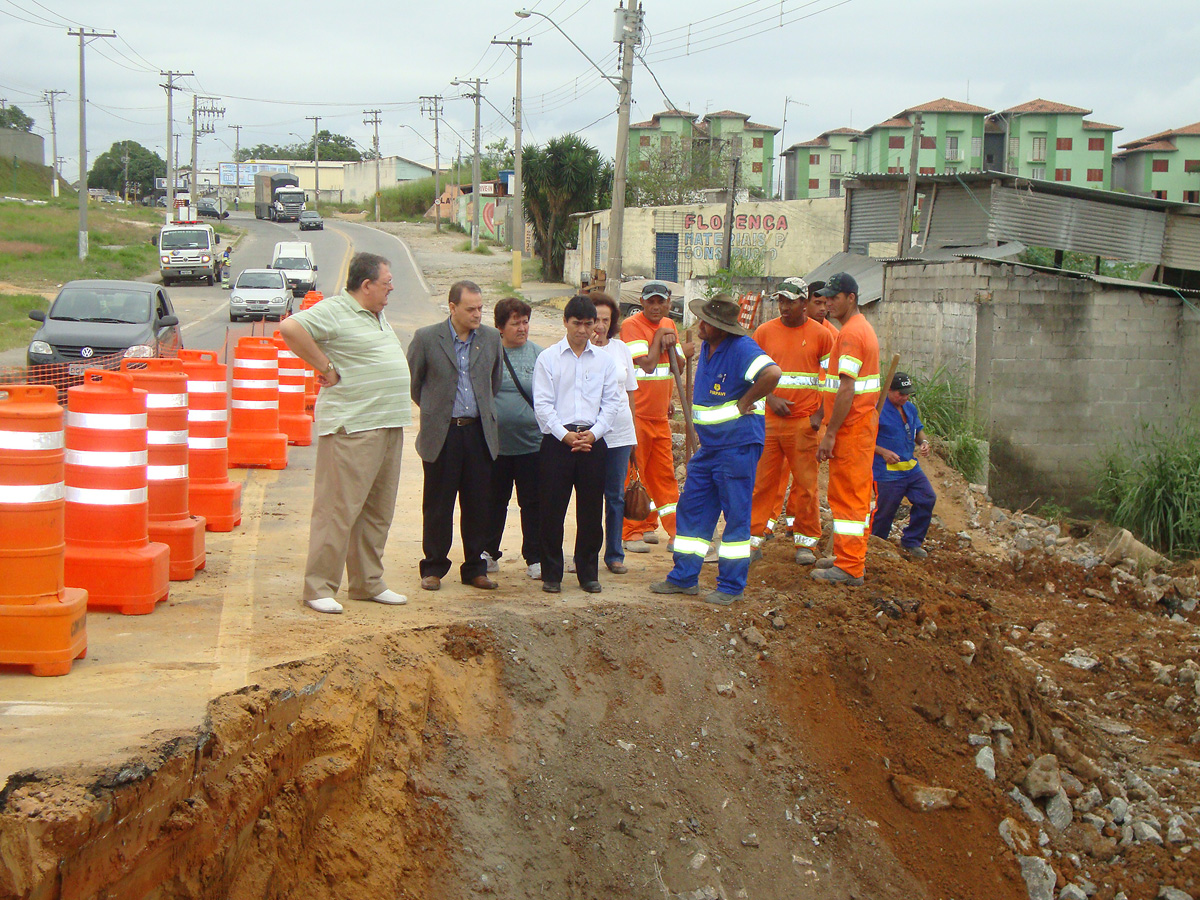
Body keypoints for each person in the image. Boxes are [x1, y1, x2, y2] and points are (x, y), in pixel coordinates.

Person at [278, 252, 411, 614]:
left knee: (376, 511)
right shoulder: (336, 309)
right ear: (366, 285)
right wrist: (325, 366)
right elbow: (291, 329)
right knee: (337, 510)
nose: (391, 288)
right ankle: (318, 586)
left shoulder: (377, 314)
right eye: (386, 283)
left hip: (386, 423)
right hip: (353, 426)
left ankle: (368, 582)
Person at [650, 294, 781, 606]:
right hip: (711, 447)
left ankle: (731, 586)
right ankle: (683, 578)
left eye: (707, 322)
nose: (700, 325)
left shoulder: (742, 349)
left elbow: (772, 374)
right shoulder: (709, 347)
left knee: (735, 515)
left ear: (722, 327)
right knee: (693, 508)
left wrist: (745, 402)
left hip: (736, 446)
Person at [407, 280, 502, 591]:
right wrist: (438, 411)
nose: (477, 314)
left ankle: (475, 568)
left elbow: (494, 382)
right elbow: (414, 383)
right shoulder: (426, 338)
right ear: (452, 308)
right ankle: (433, 567)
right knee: (438, 503)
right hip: (442, 434)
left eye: (480, 308)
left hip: (477, 433)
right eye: (470, 309)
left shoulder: (489, 339)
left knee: (478, 504)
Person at [533, 294, 623, 594]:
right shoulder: (548, 358)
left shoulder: (605, 362)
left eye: (589, 324)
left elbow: (611, 405)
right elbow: (543, 405)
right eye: (577, 324)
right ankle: (552, 574)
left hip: (593, 443)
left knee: (590, 511)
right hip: (557, 442)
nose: (584, 330)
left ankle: (587, 573)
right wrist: (565, 434)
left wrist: (593, 434)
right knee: (551, 510)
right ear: (565, 322)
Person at [749, 277, 833, 565]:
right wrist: (770, 398)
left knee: (807, 485)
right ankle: (753, 539)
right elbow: (752, 374)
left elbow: (831, 381)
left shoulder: (822, 336)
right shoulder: (764, 333)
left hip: (803, 424)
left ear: (804, 302)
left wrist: (818, 417)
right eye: (781, 301)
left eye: (791, 301)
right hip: (770, 421)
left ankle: (806, 543)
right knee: (762, 483)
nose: (784, 306)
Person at [813, 272, 880, 586]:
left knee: (848, 496)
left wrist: (830, 433)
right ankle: (849, 556)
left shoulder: (852, 334)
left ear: (850, 298)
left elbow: (846, 389)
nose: (827, 302)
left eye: (834, 297)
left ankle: (850, 566)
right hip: (859, 427)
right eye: (826, 297)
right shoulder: (857, 328)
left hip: (852, 428)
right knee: (855, 494)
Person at [620, 281, 694, 552]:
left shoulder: (670, 325)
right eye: (650, 301)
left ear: (668, 303)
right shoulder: (632, 326)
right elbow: (649, 364)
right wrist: (660, 336)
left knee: (663, 474)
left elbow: (677, 368)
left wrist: (682, 352)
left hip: (660, 414)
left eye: (659, 302)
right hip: (636, 414)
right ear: (641, 301)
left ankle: (671, 529)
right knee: (634, 472)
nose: (654, 306)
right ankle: (631, 530)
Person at [483, 297, 544, 580]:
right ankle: (488, 553)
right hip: (496, 446)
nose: (522, 328)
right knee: (493, 501)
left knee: (533, 503)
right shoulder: (487, 353)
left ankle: (535, 557)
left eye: (525, 322)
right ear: (499, 327)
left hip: (533, 445)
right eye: (515, 323)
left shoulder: (539, 356)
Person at [589, 292, 639, 575]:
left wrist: (634, 434)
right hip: (591, 433)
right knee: (590, 495)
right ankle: (587, 553)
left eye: (605, 320)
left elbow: (630, 393)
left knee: (616, 495)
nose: (600, 326)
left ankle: (615, 554)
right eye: (595, 319)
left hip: (620, 432)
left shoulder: (621, 349)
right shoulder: (582, 351)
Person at [872, 372, 936, 558]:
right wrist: (883, 452)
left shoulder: (909, 409)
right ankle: (876, 543)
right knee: (885, 510)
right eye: (901, 394)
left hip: (910, 468)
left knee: (927, 498)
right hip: (886, 472)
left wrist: (924, 442)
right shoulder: (877, 410)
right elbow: (863, 439)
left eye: (908, 393)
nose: (905, 397)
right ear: (889, 391)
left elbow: (918, 430)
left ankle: (912, 542)